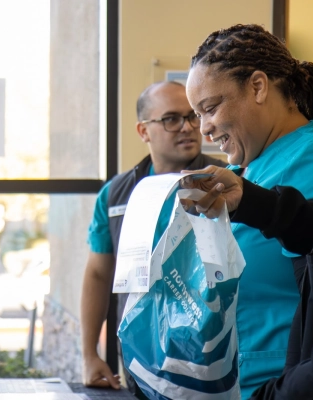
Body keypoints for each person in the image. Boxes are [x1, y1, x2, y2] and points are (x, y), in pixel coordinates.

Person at [183, 18, 313, 399]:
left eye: (210, 108)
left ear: (257, 86)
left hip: (288, 383)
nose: (203, 129)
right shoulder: (240, 171)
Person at [80, 81, 226, 397]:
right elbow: (97, 273)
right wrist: (90, 354)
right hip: (139, 360)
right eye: (171, 119)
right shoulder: (115, 196)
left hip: (211, 358)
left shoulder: (228, 184)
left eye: (193, 116)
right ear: (143, 131)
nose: (188, 127)